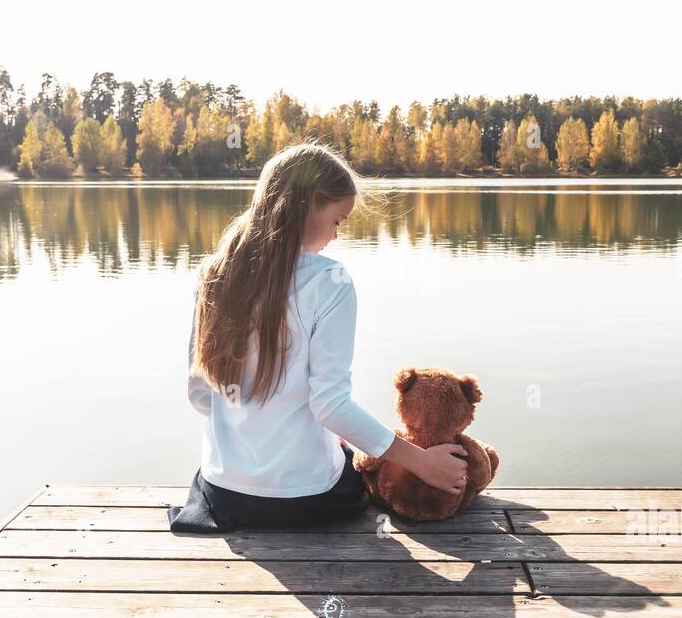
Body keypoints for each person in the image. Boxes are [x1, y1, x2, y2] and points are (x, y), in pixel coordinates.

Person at [168, 142, 469, 533]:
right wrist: (421, 462)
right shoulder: (330, 281)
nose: (336, 235)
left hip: (224, 492)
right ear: (309, 205)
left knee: (333, 449)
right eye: (338, 220)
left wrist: (255, 439)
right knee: (356, 469)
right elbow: (329, 405)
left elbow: (199, 394)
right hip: (306, 499)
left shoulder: (215, 272)